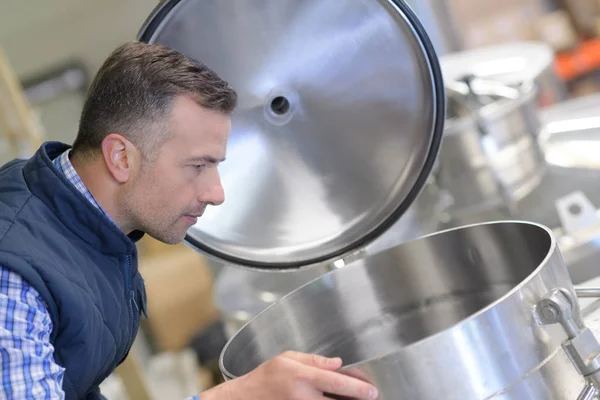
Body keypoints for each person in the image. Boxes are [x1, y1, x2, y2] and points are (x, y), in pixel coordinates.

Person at [0, 41, 379, 400]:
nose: (216, 193)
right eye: (198, 166)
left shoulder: (89, 223)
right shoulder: (14, 278)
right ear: (120, 157)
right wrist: (243, 393)